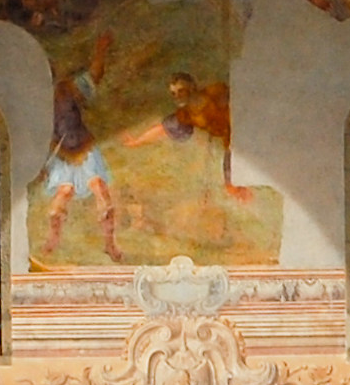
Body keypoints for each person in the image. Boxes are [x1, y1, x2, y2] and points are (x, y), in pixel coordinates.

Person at [43, 33, 125, 263]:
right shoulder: (35, 99)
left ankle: (110, 244)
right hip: (61, 153)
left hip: (84, 146)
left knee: (99, 188)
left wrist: (100, 50)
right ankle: (53, 239)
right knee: (64, 192)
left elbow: (93, 76)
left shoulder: (67, 89)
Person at [125, 71, 233, 188]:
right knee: (231, 184)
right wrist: (138, 141)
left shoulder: (216, 92)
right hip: (232, 143)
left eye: (181, 91)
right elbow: (162, 128)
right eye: (174, 93)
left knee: (233, 180)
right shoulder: (186, 114)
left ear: (192, 87)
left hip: (243, 130)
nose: (177, 96)